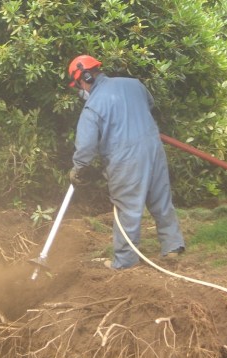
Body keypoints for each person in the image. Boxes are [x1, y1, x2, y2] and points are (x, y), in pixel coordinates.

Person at [67, 54, 185, 270]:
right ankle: (172, 246)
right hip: (153, 149)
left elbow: (85, 146)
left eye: (78, 84)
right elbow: (149, 104)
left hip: (125, 158)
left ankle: (125, 261)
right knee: (160, 198)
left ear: (85, 77)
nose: (79, 89)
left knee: (127, 208)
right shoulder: (134, 85)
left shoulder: (92, 107)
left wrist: (78, 168)